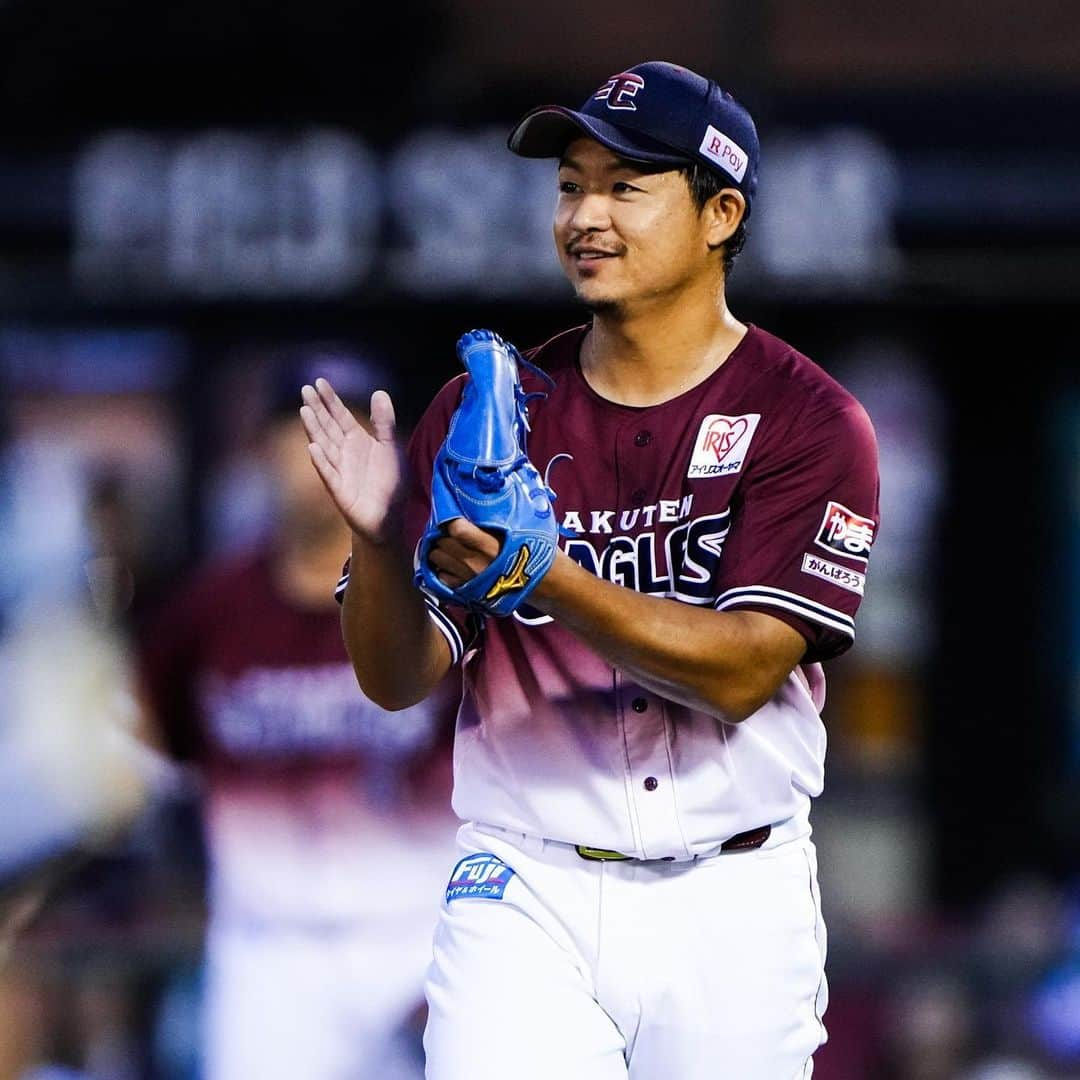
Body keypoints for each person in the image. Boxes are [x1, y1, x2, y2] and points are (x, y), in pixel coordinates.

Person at [301, 60, 881, 1080]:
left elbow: (744, 669)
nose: (585, 215)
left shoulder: (809, 418)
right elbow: (396, 681)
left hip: (732, 893)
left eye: (625, 185)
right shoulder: (491, 409)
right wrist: (377, 541)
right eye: (570, 185)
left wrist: (548, 576)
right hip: (527, 881)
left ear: (720, 212)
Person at [135, 349, 459, 1080]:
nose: (322, 452)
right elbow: (155, 760)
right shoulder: (208, 611)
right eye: (302, 427)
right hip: (269, 956)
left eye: (346, 426)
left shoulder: (441, 597)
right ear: (264, 449)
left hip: (422, 941)